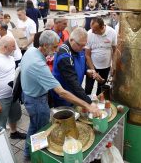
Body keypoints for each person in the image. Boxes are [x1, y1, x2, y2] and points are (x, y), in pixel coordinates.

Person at [20, 30, 101, 160]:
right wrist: (88, 105)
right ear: (45, 45)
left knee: (34, 125)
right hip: (37, 101)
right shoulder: (39, 64)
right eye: (55, 47)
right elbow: (62, 92)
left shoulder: (31, 51)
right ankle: (37, 157)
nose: (57, 50)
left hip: (30, 96)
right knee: (42, 131)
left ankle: (27, 153)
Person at [0, 36, 26, 139]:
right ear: (5, 47)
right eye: (13, 46)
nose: (15, 49)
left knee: (14, 116)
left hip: (12, 95)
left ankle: (14, 132)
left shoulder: (10, 57)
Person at [52, 27, 104, 107]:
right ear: (71, 40)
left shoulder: (79, 48)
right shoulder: (64, 54)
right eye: (80, 45)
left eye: (85, 45)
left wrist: (87, 71)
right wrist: (89, 103)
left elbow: (81, 63)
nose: (83, 48)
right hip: (64, 96)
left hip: (74, 92)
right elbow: (72, 82)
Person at [85, 17, 117, 95]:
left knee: (101, 90)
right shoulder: (89, 34)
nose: (92, 31)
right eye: (91, 28)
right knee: (88, 88)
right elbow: (87, 55)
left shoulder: (112, 32)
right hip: (92, 65)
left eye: (95, 30)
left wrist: (113, 66)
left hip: (106, 66)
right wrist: (93, 71)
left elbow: (115, 50)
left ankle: (99, 105)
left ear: (102, 27)